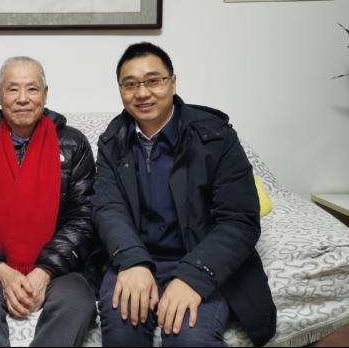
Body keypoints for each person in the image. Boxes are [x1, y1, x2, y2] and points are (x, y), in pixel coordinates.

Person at [93, 42, 276, 347]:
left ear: (173, 82)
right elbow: (108, 208)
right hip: (138, 256)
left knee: (187, 336)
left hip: (200, 255)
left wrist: (194, 275)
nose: (142, 93)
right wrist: (132, 261)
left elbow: (239, 220)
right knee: (123, 328)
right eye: (130, 84)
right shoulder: (112, 141)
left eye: (153, 80)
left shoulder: (216, 137)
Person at [0, 56, 98, 347]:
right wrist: (1, 270)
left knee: (77, 304)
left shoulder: (73, 144)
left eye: (32, 89)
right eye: (13, 89)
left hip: (61, 270)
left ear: (45, 94)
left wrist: (44, 271)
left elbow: (84, 218)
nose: (23, 98)